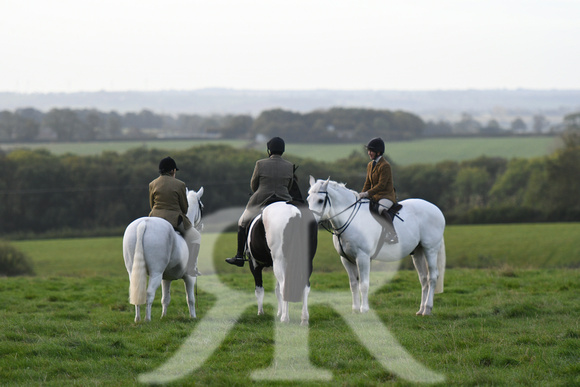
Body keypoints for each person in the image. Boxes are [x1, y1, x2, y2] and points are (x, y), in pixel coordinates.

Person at [225, 137, 294, 267]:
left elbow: (253, 185)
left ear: (269, 150)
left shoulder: (260, 164)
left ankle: (239, 256)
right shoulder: (289, 166)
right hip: (284, 199)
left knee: (242, 222)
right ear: (282, 150)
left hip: (261, 199)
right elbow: (289, 186)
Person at [149, 156, 201, 276]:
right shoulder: (180, 184)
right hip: (174, 219)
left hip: (155, 218)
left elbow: (152, 205)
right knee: (196, 236)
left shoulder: (152, 184)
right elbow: (184, 208)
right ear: (172, 171)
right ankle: (191, 268)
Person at [357, 137, 399, 244]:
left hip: (386, 196)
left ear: (378, 152)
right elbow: (367, 183)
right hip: (375, 196)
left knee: (381, 209)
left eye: (371, 151)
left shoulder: (385, 166)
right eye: (369, 151)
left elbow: (381, 185)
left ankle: (393, 234)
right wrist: (361, 195)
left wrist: (367, 193)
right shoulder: (370, 165)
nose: (369, 153)